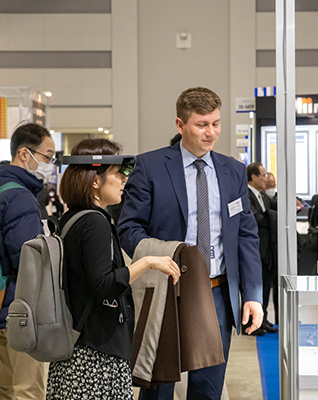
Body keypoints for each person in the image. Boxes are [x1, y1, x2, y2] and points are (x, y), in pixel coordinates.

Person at [118, 86, 263, 400]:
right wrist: (157, 257)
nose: (211, 133)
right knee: (158, 388)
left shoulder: (233, 171)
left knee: (208, 389)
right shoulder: (150, 166)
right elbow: (128, 228)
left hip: (216, 292)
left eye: (216, 123)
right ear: (180, 125)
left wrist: (253, 295)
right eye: (201, 125)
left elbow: (246, 235)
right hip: (166, 289)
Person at [46, 138, 180, 399]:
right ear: (95, 180)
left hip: (75, 347)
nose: (124, 180)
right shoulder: (94, 222)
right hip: (95, 356)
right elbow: (103, 284)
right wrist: (148, 262)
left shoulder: (72, 217)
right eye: (117, 174)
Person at [0, 123, 55, 400]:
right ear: (25, 153)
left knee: (2, 389)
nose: (49, 164)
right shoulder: (20, 196)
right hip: (18, 311)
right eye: (47, 156)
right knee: (28, 392)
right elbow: (27, 260)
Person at [246, 163, 279, 334]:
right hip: (254, 249)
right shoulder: (246, 195)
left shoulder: (263, 196)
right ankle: (250, 323)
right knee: (254, 287)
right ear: (253, 177)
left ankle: (262, 319)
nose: (266, 179)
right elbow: (256, 218)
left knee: (266, 285)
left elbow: (270, 212)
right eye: (263, 175)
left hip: (266, 250)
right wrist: (271, 217)